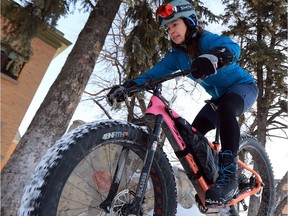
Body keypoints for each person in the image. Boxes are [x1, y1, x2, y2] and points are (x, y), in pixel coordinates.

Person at [107, 0, 259, 205]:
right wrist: (129, 86)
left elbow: (231, 47)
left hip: (243, 87)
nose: (171, 31)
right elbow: (153, 74)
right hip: (217, 98)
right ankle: (211, 178)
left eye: (175, 24)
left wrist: (215, 57)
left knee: (227, 108)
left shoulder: (206, 40)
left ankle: (229, 177)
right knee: (192, 135)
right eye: (167, 28)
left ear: (190, 22)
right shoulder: (177, 57)